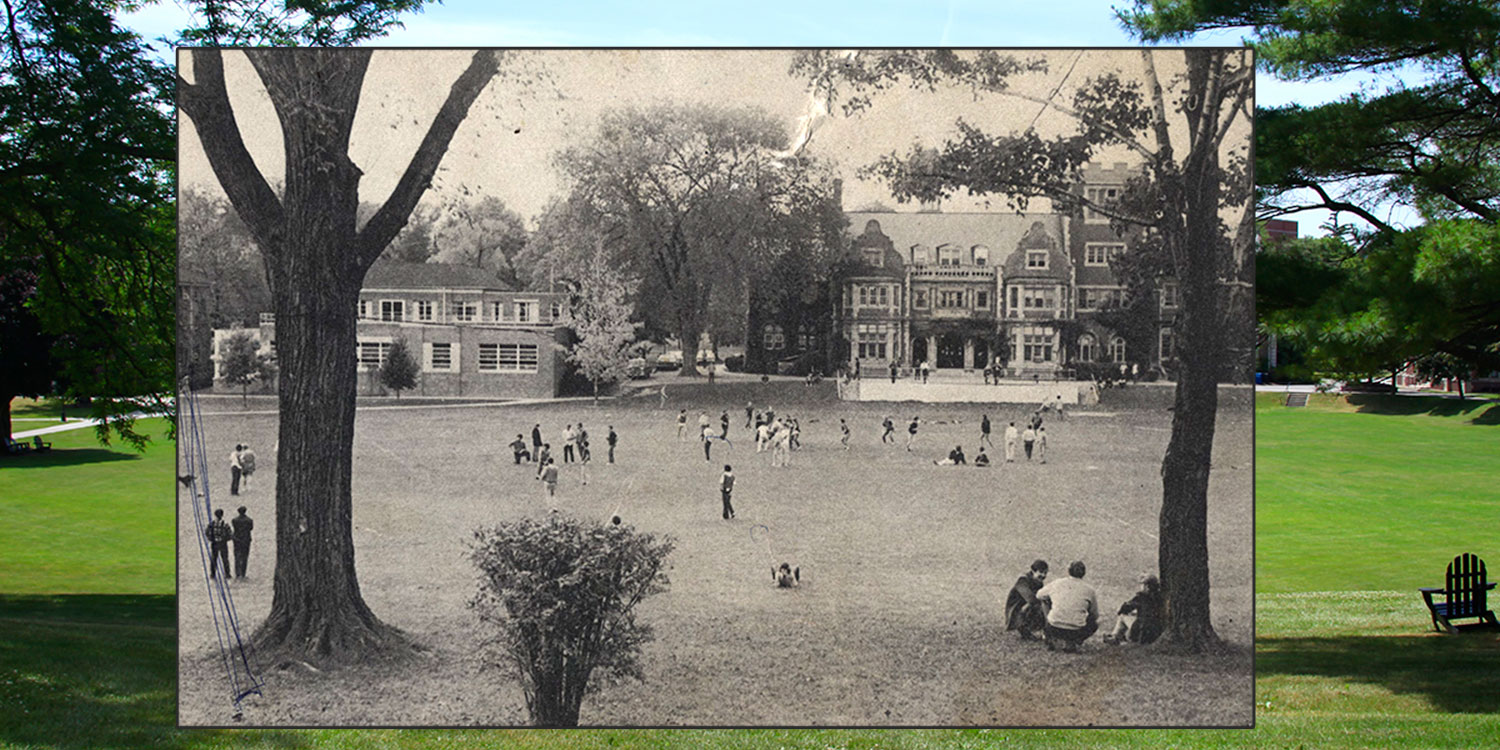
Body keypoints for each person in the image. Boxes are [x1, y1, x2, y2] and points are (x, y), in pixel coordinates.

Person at [1036, 560, 1099, 652]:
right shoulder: (1090, 590)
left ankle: (1051, 635)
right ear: (1084, 573)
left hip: (1054, 627)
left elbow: (1039, 595)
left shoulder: (1057, 583)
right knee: (1094, 623)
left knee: (1044, 600)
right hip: (1076, 630)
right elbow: (1094, 615)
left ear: (1068, 571)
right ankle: (1073, 642)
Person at [1105, 574, 1164, 646]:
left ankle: (1115, 636)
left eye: (1142, 585)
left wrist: (1123, 608)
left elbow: (1124, 609)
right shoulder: (1161, 597)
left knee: (1122, 616)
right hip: (1157, 631)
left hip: (1140, 631)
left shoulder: (1141, 597)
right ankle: (1117, 638)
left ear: (1147, 586)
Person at [1004, 560, 1049, 640]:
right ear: (1033, 571)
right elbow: (1030, 598)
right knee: (1038, 606)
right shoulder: (1023, 580)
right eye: (1041, 572)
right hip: (1016, 608)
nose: (1043, 575)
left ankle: (1040, 630)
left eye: (1045, 573)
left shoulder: (1038, 581)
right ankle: (1023, 628)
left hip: (1027, 605)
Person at [206, 508, 232, 579]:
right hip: (223, 543)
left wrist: (210, 538)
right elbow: (230, 533)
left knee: (214, 558)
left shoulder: (212, 524)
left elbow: (207, 532)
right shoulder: (225, 524)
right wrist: (226, 539)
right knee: (225, 559)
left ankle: (212, 574)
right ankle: (227, 574)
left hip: (214, 543)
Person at [231, 506, 254, 579]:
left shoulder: (234, 520)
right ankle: (243, 573)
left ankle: (237, 573)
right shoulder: (249, 520)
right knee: (245, 556)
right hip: (246, 539)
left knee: (237, 555)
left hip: (237, 539)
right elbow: (251, 528)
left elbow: (235, 528)